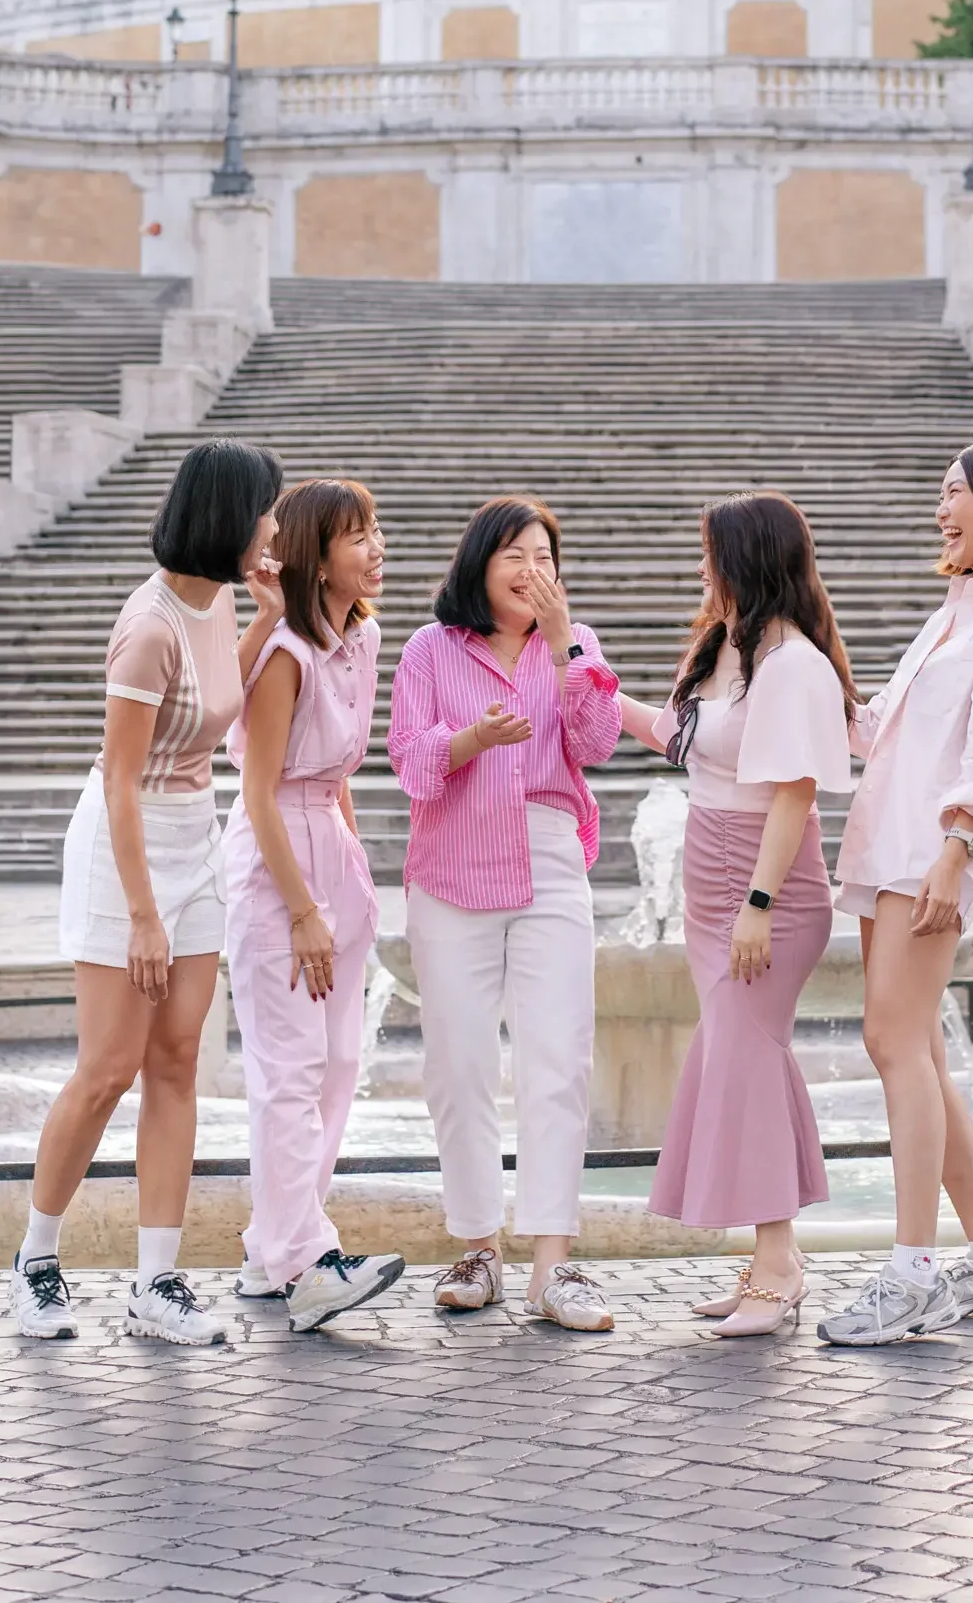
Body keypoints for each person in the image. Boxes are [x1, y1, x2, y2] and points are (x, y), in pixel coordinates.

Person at [10, 438, 284, 1345]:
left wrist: (263, 622)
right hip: (120, 850)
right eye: (265, 512)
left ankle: (155, 1284)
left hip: (192, 839)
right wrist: (140, 916)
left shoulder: (220, 603)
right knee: (107, 1069)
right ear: (228, 518)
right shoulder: (150, 622)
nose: (275, 528)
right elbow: (121, 778)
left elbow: (210, 711)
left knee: (175, 1062)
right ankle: (36, 1259)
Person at [817, 438, 973, 1349]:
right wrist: (809, 657)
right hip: (892, 845)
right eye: (939, 494)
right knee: (917, 1047)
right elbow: (880, 726)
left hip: (932, 852)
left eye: (956, 493)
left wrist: (956, 848)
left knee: (889, 1039)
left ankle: (912, 1272)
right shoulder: (959, 605)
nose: (941, 509)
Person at [619, 491, 852, 1337]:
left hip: (770, 883)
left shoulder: (793, 665)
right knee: (740, 1056)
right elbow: (686, 745)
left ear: (747, 559)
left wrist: (756, 904)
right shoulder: (725, 647)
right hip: (710, 871)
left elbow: (793, 792)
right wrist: (594, 682)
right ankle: (769, 1261)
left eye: (711, 553)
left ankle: (780, 1264)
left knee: (748, 1058)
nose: (701, 569)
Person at [387, 494, 622, 1331]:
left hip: (550, 861)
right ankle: (478, 1247)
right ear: (480, 564)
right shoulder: (429, 649)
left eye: (546, 557)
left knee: (559, 1061)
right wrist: (469, 742)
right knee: (458, 1066)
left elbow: (594, 744)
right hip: (450, 871)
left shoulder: (576, 645)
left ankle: (552, 1265)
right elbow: (410, 762)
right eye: (517, 556)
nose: (534, 571)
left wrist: (565, 648)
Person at [224, 476, 406, 1333]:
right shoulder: (286, 653)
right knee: (288, 1071)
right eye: (355, 536)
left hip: (333, 848)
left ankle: (273, 1251)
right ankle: (305, 1260)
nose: (375, 548)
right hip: (276, 863)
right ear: (313, 555)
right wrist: (301, 909)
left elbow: (337, 778)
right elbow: (258, 793)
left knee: (336, 1067)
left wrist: (352, 879)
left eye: (375, 531)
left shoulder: (359, 641)